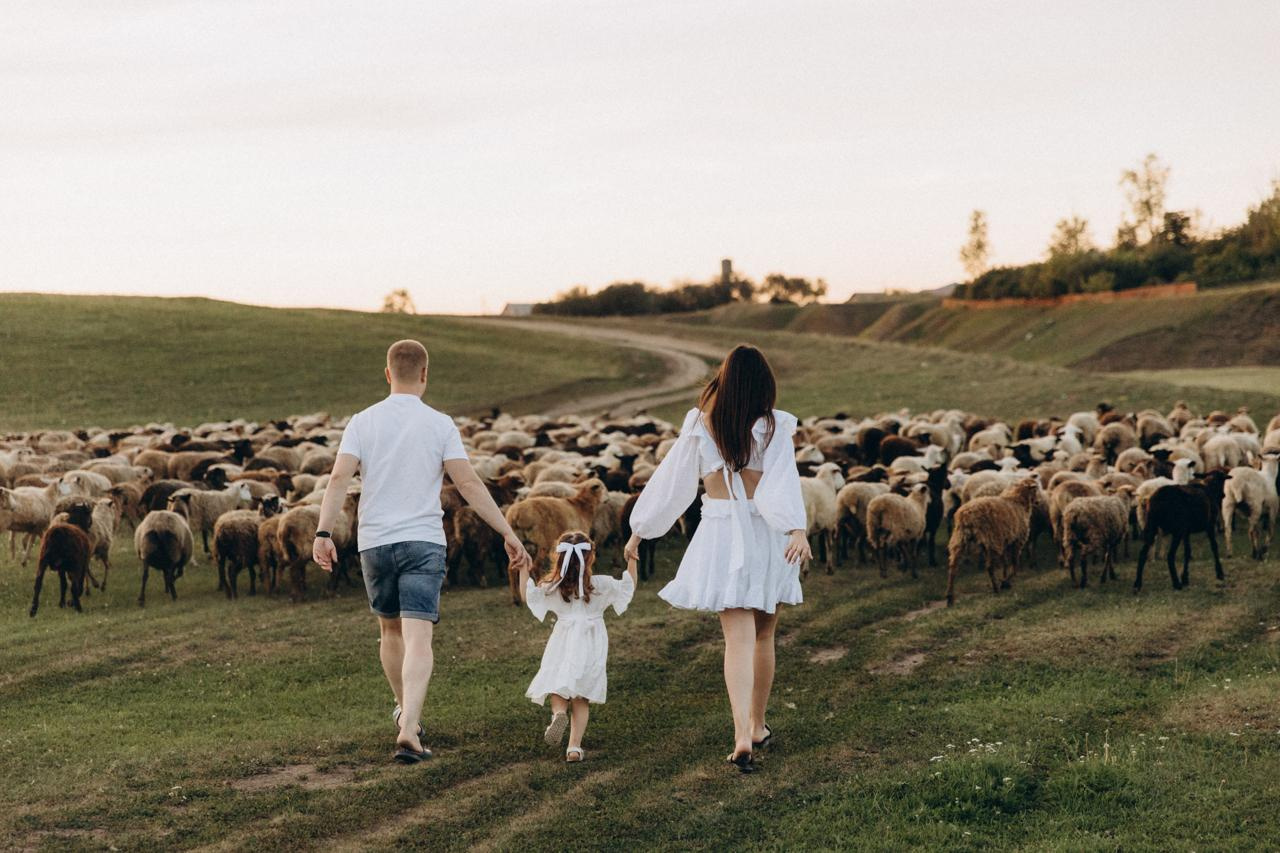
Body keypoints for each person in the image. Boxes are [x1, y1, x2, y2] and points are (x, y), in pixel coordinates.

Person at [313, 339, 532, 764]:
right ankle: (410, 726)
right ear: (426, 375)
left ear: (388, 374)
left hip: (374, 540)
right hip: (423, 541)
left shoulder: (363, 421)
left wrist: (323, 531)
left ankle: (404, 714)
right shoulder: (440, 424)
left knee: (389, 632)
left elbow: (339, 476)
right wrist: (507, 531)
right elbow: (468, 485)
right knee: (419, 638)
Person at [625, 344, 810, 773]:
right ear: (765, 384)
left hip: (722, 534)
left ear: (722, 381)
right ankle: (758, 725)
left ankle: (741, 733)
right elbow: (782, 481)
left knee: (737, 640)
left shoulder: (701, 423)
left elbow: (672, 482)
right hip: (767, 534)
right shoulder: (776, 426)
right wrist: (796, 527)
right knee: (764, 637)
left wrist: (641, 529)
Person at [519, 530, 635, 763]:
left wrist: (523, 569)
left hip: (563, 639)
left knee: (558, 684)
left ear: (558, 557)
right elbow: (628, 587)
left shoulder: (553, 586)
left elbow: (528, 596)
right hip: (591, 642)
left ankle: (559, 714)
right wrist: (632, 559)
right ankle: (574, 747)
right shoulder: (600, 584)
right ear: (590, 557)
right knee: (581, 695)